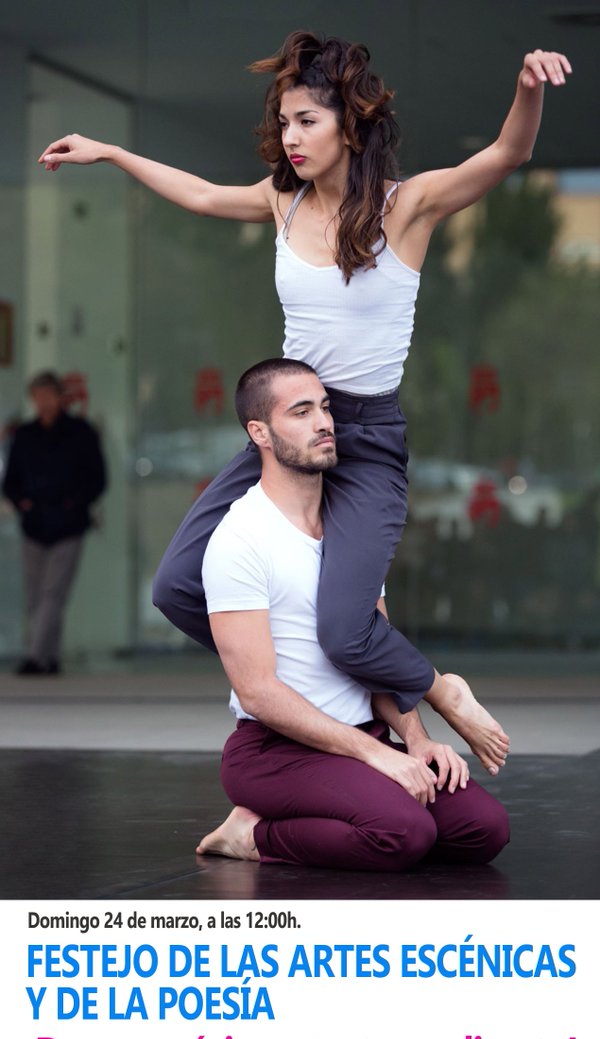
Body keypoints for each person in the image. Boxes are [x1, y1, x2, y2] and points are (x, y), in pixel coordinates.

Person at [38, 34, 571, 771]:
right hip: (288, 432)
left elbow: (506, 155)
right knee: (177, 586)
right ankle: (318, 700)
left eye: (307, 122)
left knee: (346, 629)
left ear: (348, 125)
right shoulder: (280, 204)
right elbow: (197, 192)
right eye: (284, 123)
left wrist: (528, 87)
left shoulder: (406, 207)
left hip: (367, 438)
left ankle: (438, 690)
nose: (290, 138)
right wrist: (112, 151)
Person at [197, 358, 509, 872]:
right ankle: (252, 834)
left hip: (365, 734)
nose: (323, 422)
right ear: (261, 433)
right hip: (275, 753)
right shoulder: (239, 539)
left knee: (483, 830)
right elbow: (257, 692)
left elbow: (374, 648)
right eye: (300, 412)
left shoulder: (350, 532)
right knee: (402, 833)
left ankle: (361, 796)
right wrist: (376, 756)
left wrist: (415, 739)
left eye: (324, 407)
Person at [2, 371, 106, 675]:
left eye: (48, 395)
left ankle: (35, 656)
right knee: (36, 593)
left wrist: (74, 503)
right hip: (34, 524)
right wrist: (23, 503)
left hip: (68, 524)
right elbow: (11, 481)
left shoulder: (80, 432)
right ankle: (49, 657)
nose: (43, 402)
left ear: (61, 397)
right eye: (38, 396)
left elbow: (97, 479)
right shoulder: (25, 434)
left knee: (53, 591)